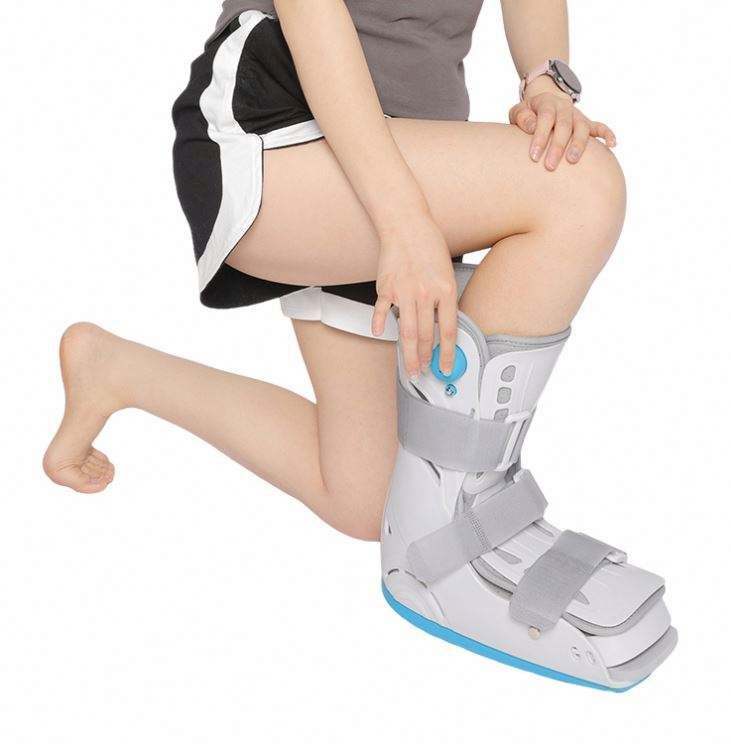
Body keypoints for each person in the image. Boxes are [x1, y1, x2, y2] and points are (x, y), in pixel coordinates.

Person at [43, 1, 676, 689]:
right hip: (287, 123)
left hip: (409, 137)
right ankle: (467, 529)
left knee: (370, 495)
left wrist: (545, 81)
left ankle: (115, 370)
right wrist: (405, 222)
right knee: (579, 188)